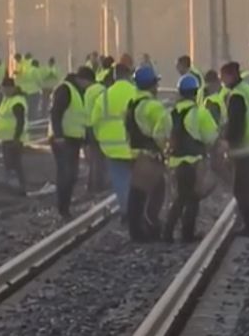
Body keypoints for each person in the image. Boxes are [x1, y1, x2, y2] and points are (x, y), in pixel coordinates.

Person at [165, 72, 219, 243]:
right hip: (193, 162)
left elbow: (164, 134)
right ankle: (184, 234)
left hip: (174, 162)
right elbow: (211, 136)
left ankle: (169, 232)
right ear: (196, 93)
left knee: (180, 197)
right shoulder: (199, 114)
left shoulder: (171, 113)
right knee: (191, 198)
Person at [125, 64, 168, 242]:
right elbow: (161, 133)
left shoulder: (132, 104)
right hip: (149, 156)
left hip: (134, 154)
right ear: (151, 85)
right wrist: (164, 150)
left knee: (137, 193)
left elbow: (128, 129)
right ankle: (149, 229)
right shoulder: (154, 107)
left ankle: (137, 230)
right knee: (156, 192)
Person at [222, 61, 249, 237]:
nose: (222, 80)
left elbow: (237, 124)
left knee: (241, 190)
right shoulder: (248, 90)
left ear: (230, 76)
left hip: (244, 148)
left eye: (223, 76)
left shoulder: (237, 95)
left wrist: (227, 140)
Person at [90, 61, 136, 214]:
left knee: (120, 181)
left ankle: (125, 210)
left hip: (111, 147)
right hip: (134, 145)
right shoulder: (136, 93)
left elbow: (94, 121)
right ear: (129, 75)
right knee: (136, 181)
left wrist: (99, 138)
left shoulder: (104, 96)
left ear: (115, 76)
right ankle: (137, 211)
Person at [49, 69, 88, 218]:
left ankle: (65, 207)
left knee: (71, 174)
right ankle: (63, 209)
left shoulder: (76, 91)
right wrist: (58, 136)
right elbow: (56, 112)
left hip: (72, 139)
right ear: (81, 79)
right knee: (66, 174)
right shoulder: (65, 89)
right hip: (63, 140)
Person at [0, 76, 29, 195]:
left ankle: (20, 189)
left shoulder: (17, 101)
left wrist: (16, 137)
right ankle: (13, 189)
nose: (3, 91)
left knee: (15, 165)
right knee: (9, 165)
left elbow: (20, 121)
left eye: (4, 89)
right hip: (6, 138)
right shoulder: (6, 99)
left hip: (13, 139)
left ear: (11, 88)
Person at [81, 63, 109, 193]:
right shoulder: (101, 90)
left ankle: (93, 185)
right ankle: (97, 185)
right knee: (99, 159)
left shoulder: (90, 91)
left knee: (94, 159)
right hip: (99, 127)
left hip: (91, 127)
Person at [18, 54, 43, 120]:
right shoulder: (35, 70)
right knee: (34, 106)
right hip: (34, 91)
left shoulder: (26, 71)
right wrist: (41, 86)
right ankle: (33, 119)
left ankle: (28, 118)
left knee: (28, 106)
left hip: (26, 91)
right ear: (36, 64)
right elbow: (39, 80)